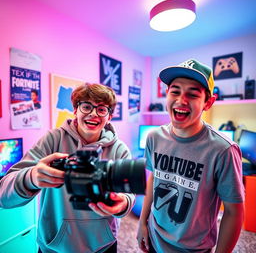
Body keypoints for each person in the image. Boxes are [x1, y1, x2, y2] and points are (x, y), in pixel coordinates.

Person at [0, 83, 134, 253]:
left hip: (103, 246)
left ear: (109, 116)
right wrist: (31, 177)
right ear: (75, 110)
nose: (93, 113)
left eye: (101, 109)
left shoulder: (120, 150)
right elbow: (3, 193)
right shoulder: (52, 140)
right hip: (55, 247)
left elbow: (128, 194)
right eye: (86, 106)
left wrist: (123, 203)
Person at [137, 59, 244, 253]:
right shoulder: (154, 137)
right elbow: (153, 178)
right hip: (154, 237)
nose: (181, 100)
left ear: (208, 103)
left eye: (192, 94)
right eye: (175, 91)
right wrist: (142, 223)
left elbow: (233, 211)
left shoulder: (223, 150)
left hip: (193, 249)